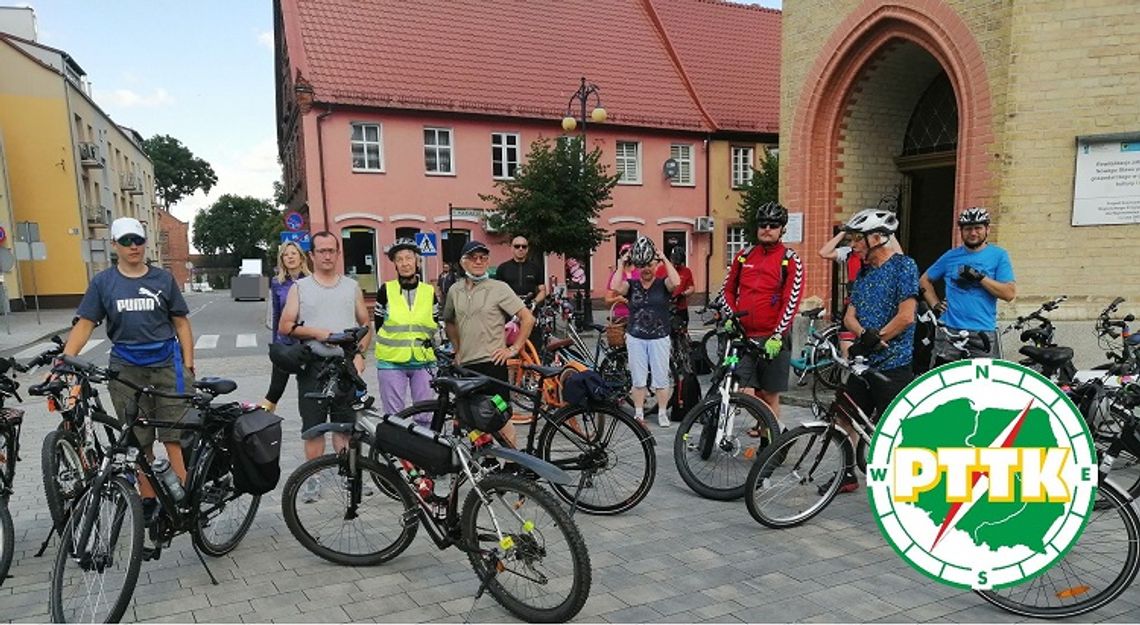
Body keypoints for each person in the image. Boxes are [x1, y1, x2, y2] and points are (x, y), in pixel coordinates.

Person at [63, 217, 196, 525]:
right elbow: (85, 324)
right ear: (115, 246)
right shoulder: (103, 283)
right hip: (125, 370)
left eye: (138, 240)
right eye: (126, 241)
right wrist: (65, 359)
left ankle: (185, 498)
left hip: (166, 366)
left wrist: (188, 363)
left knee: (173, 437)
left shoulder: (162, 280)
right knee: (139, 441)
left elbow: (181, 322)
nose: (133, 246)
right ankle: (148, 500)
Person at [278, 230, 371, 502]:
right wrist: (315, 332)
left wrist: (360, 354)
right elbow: (285, 326)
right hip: (314, 367)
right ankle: (312, 479)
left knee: (344, 427)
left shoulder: (351, 286)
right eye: (322, 251)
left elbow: (365, 324)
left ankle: (348, 477)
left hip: (344, 365)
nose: (327, 255)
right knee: (313, 427)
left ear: (338, 253)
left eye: (332, 250)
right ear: (313, 255)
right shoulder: (301, 288)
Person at [840, 208, 920, 492]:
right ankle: (846, 474)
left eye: (857, 239)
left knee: (893, 428)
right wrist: (864, 337)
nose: (853, 245)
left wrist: (879, 337)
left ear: (877, 238)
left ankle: (904, 487)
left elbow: (907, 315)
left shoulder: (904, 266)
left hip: (893, 361)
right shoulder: (863, 273)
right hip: (864, 360)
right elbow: (850, 315)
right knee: (845, 417)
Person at [443, 240, 534, 445]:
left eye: (483, 258)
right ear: (462, 262)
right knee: (470, 417)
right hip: (467, 365)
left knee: (500, 416)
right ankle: (488, 459)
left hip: (493, 363)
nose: (478, 261)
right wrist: (457, 349)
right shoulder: (455, 290)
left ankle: (513, 463)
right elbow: (449, 320)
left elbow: (527, 318)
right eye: (473, 258)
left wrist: (514, 349)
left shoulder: (499, 288)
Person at [723, 201, 804, 431]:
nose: (767, 228)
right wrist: (731, 315)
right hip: (745, 336)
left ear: (782, 229)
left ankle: (771, 441)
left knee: (769, 395)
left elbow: (791, 300)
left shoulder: (790, 260)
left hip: (772, 336)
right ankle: (775, 428)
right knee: (744, 391)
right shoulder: (743, 256)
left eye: (773, 224)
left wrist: (778, 334)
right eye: (762, 224)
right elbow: (727, 290)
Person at [919, 207, 1015, 360]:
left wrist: (979, 277)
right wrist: (935, 304)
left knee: (978, 382)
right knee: (945, 380)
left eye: (978, 228)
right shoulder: (951, 256)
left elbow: (1009, 294)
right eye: (968, 229)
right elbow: (924, 280)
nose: (973, 233)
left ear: (987, 229)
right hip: (949, 331)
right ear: (961, 231)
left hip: (981, 332)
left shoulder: (999, 256)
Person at [608, 237, 680, 428]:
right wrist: (622, 264)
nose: (646, 269)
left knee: (661, 378)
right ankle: (639, 413)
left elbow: (676, 281)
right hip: (636, 337)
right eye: (642, 265)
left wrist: (664, 258)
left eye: (650, 264)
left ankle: (662, 412)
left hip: (659, 337)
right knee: (638, 378)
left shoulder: (663, 284)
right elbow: (615, 287)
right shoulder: (632, 285)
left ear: (655, 265)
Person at [374, 238, 437, 421]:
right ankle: (396, 449)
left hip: (424, 361)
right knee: (394, 416)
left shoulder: (429, 292)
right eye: (399, 259)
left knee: (425, 415)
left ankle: (422, 449)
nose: (405, 263)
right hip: (391, 361)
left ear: (417, 261)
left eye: (409, 258)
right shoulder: (386, 290)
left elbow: (435, 322)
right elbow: (378, 324)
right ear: (394, 264)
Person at [819, 227, 903, 356]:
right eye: (852, 239)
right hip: (852, 307)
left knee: (873, 354)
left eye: (858, 238)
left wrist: (888, 232)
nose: (854, 243)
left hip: (875, 309)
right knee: (848, 357)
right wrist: (843, 232)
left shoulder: (882, 257)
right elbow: (824, 252)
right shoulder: (849, 253)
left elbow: (900, 259)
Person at [259, 241, 312, 412]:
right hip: (285, 343)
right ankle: (263, 423)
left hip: (307, 344)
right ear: (281, 259)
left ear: (301, 257)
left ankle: (311, 424)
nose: (290, 257)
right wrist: (276, 343)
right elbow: (276, 314)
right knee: (275, 390)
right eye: (286, 254)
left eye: (293, 253)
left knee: (308, 390)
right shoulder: (277, 282)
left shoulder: (312, 281)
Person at [659, 248, 695, 327]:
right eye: (675, 262)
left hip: (681, 308)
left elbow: (691, 288)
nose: (676, 266)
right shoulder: (661, 270)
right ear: (671, 258)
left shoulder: (686, 271)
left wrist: (682, 294)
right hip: (665, 307)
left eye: (679, 263)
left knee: (682, 331)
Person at [604, 242, 638, 320]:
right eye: (625, 253)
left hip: (638, 316)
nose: (628, 256)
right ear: (621, 256)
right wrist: (617, 299)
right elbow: (607, 300)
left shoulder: (640, 273)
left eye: (631, 253)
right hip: (620, 317)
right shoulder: (616, 275)